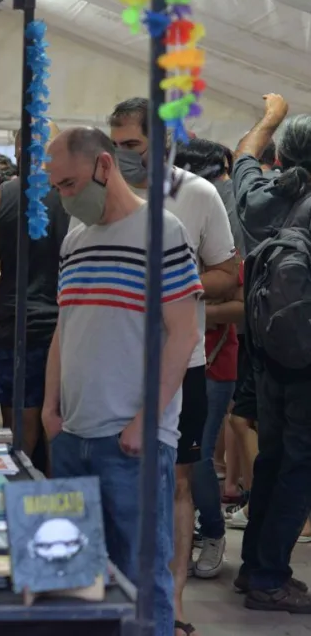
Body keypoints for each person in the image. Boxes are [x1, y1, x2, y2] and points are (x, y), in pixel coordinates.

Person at [43, 127, 201, 636]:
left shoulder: (163, 232)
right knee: (78, 578)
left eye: (70, 183)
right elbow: (64, 328)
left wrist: (145, 420)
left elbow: (183, 334)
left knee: (140, 580)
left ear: (104, 167)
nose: (65, 196)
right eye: (58, 187)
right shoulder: (76, 239)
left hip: (131, 443)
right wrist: (50, 408)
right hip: (73, 434)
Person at [110, 99, 237, 629]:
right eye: (115, 145)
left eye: (132, 146)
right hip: (111, 361)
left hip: (180, 361)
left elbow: (228, 273)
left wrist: (171, 285)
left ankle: (174, 597)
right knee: (117, 475)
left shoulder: (198, 194)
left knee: (178, 480)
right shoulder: (104, 198)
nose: (122, 156)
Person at [233, 92, 311, 613]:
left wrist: (269, 118)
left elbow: (242, 155)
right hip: (307, 361)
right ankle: (267, 576)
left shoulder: (260, 199)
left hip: (265, 352)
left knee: (275, 460)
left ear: (281, 156)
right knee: (299, 469)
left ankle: (254, 568)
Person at [0, 123, 68, 467]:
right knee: (61, 432)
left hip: (15, 330)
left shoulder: (3, 197)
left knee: (19, 441)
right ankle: (65, 508)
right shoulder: (77, 198)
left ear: (16, 154)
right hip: (68, 331)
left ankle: (22, 510)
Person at [173, 138, 246, 579]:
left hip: (213, 359)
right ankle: (193, 530)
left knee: (196, 455)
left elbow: (238, 304)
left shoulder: (217, 238)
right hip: (171, 356)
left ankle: (213, 531)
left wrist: (190, 303)